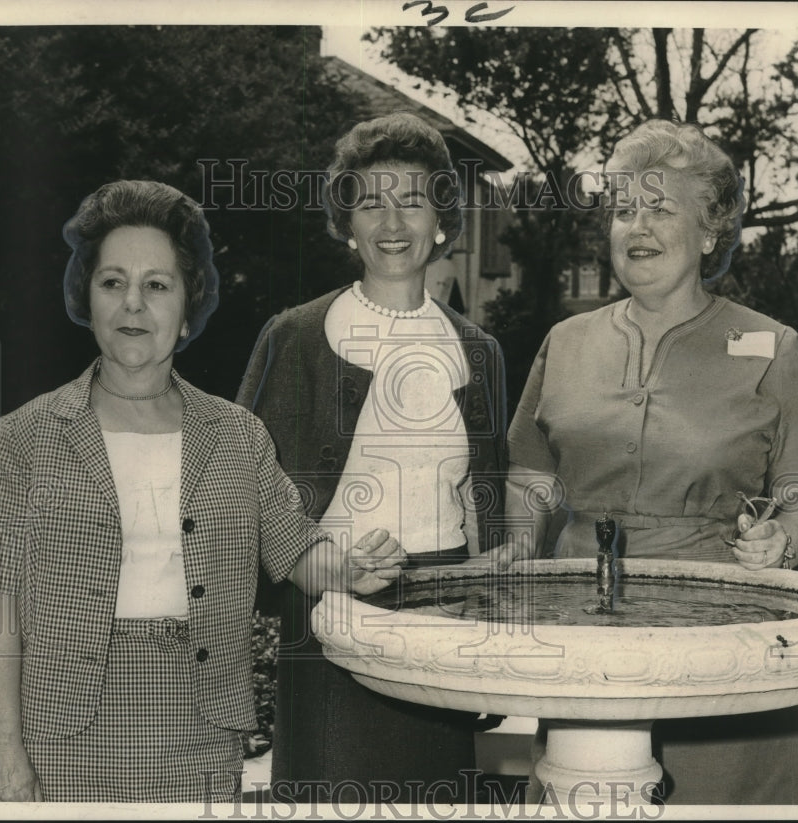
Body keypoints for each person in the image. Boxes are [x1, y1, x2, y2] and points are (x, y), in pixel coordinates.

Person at [0, 180, 404, 803]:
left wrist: (350, 571)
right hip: (57, 733)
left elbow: (297, 552)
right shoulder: (23, 437)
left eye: (157, 285)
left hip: (199, 728)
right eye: (112, 282)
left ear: (188, 302)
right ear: (85, 296)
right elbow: (1, 610)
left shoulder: (237, 434)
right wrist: (4, 752)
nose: (133, 306)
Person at [503, 120, 798, 804]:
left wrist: (784, 538)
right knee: (588, 790)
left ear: (711, 231)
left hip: (721, 625)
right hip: (585, 621)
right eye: (625, 209)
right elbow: (531, 472)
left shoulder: (769, 343)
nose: (638, 226)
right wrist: (517, 542)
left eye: (662, 208)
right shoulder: (565, 341)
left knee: (715, 799)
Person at [236, 112, 508, 803]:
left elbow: (490, 505)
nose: (392, 220)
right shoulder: (293, 336)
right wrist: (326, 565)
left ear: (441, 219)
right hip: (330, 615)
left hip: (441, 617)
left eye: (412, 199)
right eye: (370, 200)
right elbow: (243, 497)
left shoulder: (480, 351)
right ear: (346, 222)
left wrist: (492, 580)